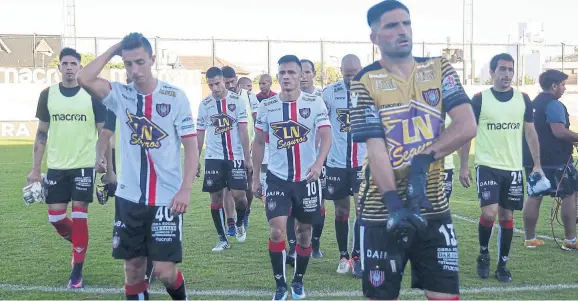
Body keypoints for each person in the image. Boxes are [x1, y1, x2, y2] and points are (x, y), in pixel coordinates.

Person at [350, 1, 477, 300]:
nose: (402, 31)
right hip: (381, 211)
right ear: (375, 38)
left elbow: (466, 124)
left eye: (406, 23)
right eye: (392, 26)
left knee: (446, 296)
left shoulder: (438, 68)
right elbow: (376, 148)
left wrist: (423, 159)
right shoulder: (363, 82)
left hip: (433, 206)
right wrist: (394, 203)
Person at [77, 32, 199, 300]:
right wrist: (115, 49)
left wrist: (185, 189)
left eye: (140, 62)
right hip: (129, 198)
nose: (135, 70)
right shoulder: (120, 95)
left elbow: (191, 149)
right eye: (128, 64)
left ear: (152, 60)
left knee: (165, 271)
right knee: (133, 269)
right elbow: (83, 78)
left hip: (166, 199)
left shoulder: (175, 97)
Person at [252, 54, 332, 300]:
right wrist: (256, 177)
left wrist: (319, 163)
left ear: (301, 75)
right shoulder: (266, 106)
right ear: (278, 76)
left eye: (291, 73)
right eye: (282, 73)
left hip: (307, 179)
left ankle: (298, 280)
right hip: (277, 178)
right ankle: (280, 286)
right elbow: (258, 143)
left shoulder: (314, 102)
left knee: (304, 233)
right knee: (277, 231)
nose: (286, 77)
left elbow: (327, 135)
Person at [26, 47, 107, 289]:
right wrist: (34, 169)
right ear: (59, 67)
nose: (70, 67)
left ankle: (77, 271)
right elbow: (42, 132)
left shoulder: (92, 95)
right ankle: (79, 242)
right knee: (56, 217)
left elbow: (104, 131)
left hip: (84, 166)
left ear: (80, 67)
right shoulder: (47, 94)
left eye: (74, 63)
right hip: (56, 167)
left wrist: (102, 159)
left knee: (81, 215)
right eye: (65, 63)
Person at [460, 53, 543, 283]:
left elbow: (530, 132)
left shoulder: (523, 99)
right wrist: (464, 165)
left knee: (507, 216)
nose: (507, 74)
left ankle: (502, 265)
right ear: (492, 72)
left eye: (510, 69)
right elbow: (468, 133)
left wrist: (537, 164)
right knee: (489, 212)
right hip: (487, 165)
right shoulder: (479, 99)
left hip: (513, 168)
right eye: (503, 69)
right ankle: (484, 254)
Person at [197, 67, 252, 251]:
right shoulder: (204, 104)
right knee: (216, 199)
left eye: (217, 83)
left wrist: (247, 157)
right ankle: (222, 239)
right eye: (210, 84)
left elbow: (243, 131)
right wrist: (196, 158)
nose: (214, 88)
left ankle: (239, 222)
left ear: (224, 81)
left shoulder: (237, 101)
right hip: (213, 157)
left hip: (235, 156)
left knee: (240, 197)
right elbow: (199, 132)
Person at [522, 69, 577, 251]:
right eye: (562, 85)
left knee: (534, 195)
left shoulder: (532, 103)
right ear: (554, 86)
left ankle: (530, 239)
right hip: (556, 160)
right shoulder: (553, 104)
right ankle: (570, 239)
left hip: (533, 159)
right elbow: (559, 131)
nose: (564, 89)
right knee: (568, 195)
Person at [321, 54, 366, 276]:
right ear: (341, 70)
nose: (351, 77)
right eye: (347, 73)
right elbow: (321, 127)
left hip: (362, 164)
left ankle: (357, 255)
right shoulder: (329, 93)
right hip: (336, 163)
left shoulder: (371, 93)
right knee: (341, 210)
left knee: (362, 208)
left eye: (355, 73)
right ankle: (343, 255)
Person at [284, 58, 325, 261]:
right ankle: (293, 246)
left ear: (312, 74)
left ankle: (314, 242)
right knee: (292, 205)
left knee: (318, 203)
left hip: (321, 159)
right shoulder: (286, 99)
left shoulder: (321, 97)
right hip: (295, 162)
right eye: (302, 72)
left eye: (308, 72)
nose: (304, 76)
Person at [223, 66, 260, 231]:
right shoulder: (219, 99)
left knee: (248, 186)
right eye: (226, 82)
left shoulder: (249, 96)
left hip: (248, 147)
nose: (230, 84)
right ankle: (231, 223)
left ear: (236, 78)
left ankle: (245, 212)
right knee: (227, 187)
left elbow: (257, 118)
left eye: (232, 81)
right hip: (226, 150)